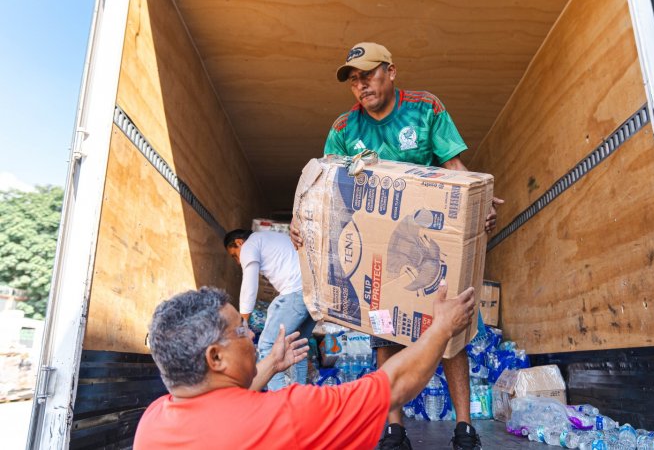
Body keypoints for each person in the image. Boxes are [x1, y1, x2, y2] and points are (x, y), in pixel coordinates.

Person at [290, 42, 502, 450]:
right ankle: (394, 428)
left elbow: (456, 170)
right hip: (378, 249)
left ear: (391, 72)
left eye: (368, 75)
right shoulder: (342, 129)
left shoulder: (425, 109)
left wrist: (478, 209)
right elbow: (322, 188)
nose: (361, 85)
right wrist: (301, 221)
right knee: (383, 334)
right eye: (354, 80)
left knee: (449, 329)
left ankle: (464, 428)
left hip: (428, 239)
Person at [134, 283, 476, 449]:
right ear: (215, 358)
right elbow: (393, 386)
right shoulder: (287, 414)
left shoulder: (153, 421)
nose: (252, 333)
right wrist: (443, 326)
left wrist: (268, 366)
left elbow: (222, 415)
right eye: (240, 329)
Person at [224, 228, 316, 391]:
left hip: (295, 293)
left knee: (268, 346)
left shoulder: (250, 245)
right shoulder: (270, 238)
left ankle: (279, 401)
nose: (238, 261)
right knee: (298, 346)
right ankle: (300, 397)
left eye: (234, 255)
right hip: (312, 294)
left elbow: (249, 284)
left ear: (239, 242)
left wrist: (243, 320)